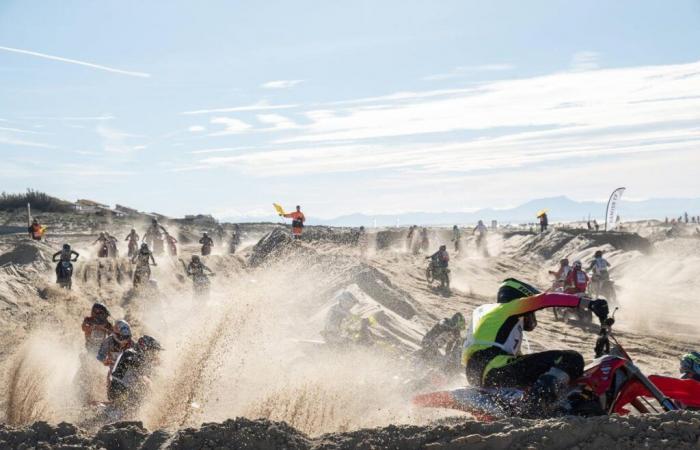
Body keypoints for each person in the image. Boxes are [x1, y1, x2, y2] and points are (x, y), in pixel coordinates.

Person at [462, 278, 608, 409]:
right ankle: (539, 403)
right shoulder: (507, 308)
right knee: (571, 358)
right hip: (494, 365)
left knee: (542, 370)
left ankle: (530, 398)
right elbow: (546, 299)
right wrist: (589, 303)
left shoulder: (487, 314)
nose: (531, 315)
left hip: (476, 372)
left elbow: (524, 364)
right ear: (520, 299)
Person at [108, 335, 163, 407]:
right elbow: (132, 361)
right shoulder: (131, 353)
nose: (154, 355)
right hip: (119, 390)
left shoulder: (136, 355)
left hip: (122, 389)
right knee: (145, 395)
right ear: (144, 347)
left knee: (146, 389)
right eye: (152, 351)